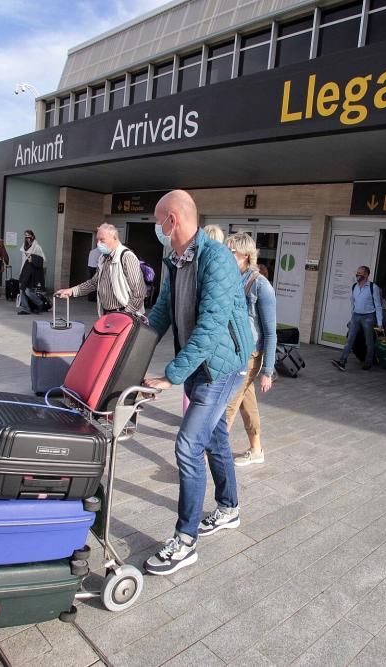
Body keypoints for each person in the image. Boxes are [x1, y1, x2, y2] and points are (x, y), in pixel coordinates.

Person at [141, 190, 253, 576]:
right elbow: (161, 311)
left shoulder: (217, 259)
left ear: (172, 220)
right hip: (200, 362)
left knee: (188, 446)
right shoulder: (175, 258)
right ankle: (229, 508)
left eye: (158, 221)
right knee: (216, 437)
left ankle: (185, 541)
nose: (157, 229)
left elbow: (210, 326)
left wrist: (172, 375)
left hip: (222, 367)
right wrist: (131, 351)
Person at [224, 232, 277, 467]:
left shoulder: (261, 285)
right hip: (231, 351)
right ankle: (256, 449)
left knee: (227, 404)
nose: (226, 255)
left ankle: (204, 455)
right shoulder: (230, 278)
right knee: (246, 401)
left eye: (230, 252)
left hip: (249, 356)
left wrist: (267, 370)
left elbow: (270, 331)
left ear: (245, 255)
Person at [55, 223, 146, 316]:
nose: (98, 244)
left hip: (125, 314)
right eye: (97, 240)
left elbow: (139, 293)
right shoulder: (103, 258)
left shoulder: (126, 257)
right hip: (107, 313)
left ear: (114, 238)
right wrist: (71, 291)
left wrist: (126, 314)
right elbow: (94, 282)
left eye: (102, 240)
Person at [332, 266, 384, 371]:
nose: (357, 274)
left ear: (366, 274)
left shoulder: (373, 287)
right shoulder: (354, 286)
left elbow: (378, 306)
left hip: (368, 317)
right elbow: (353, 303)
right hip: (356, 316)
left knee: (368, 341)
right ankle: (342, 361)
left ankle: (368, 362)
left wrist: (379, 323)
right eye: (357, 272)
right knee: (350, 339)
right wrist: (352, 318)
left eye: (360, 273)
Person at [16, 229, 48, 314]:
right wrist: (21, 272)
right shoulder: (24, 246)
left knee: (27, 291)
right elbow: (23, 260)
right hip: (25, 270)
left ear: (32, 236)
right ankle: (26, 308)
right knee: (22, 289)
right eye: (25, 236)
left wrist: (32, 259)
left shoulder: (37, 247)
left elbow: (42, 259)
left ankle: (39, 303)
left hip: (33, 272)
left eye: (28, 236)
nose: (27, 238)